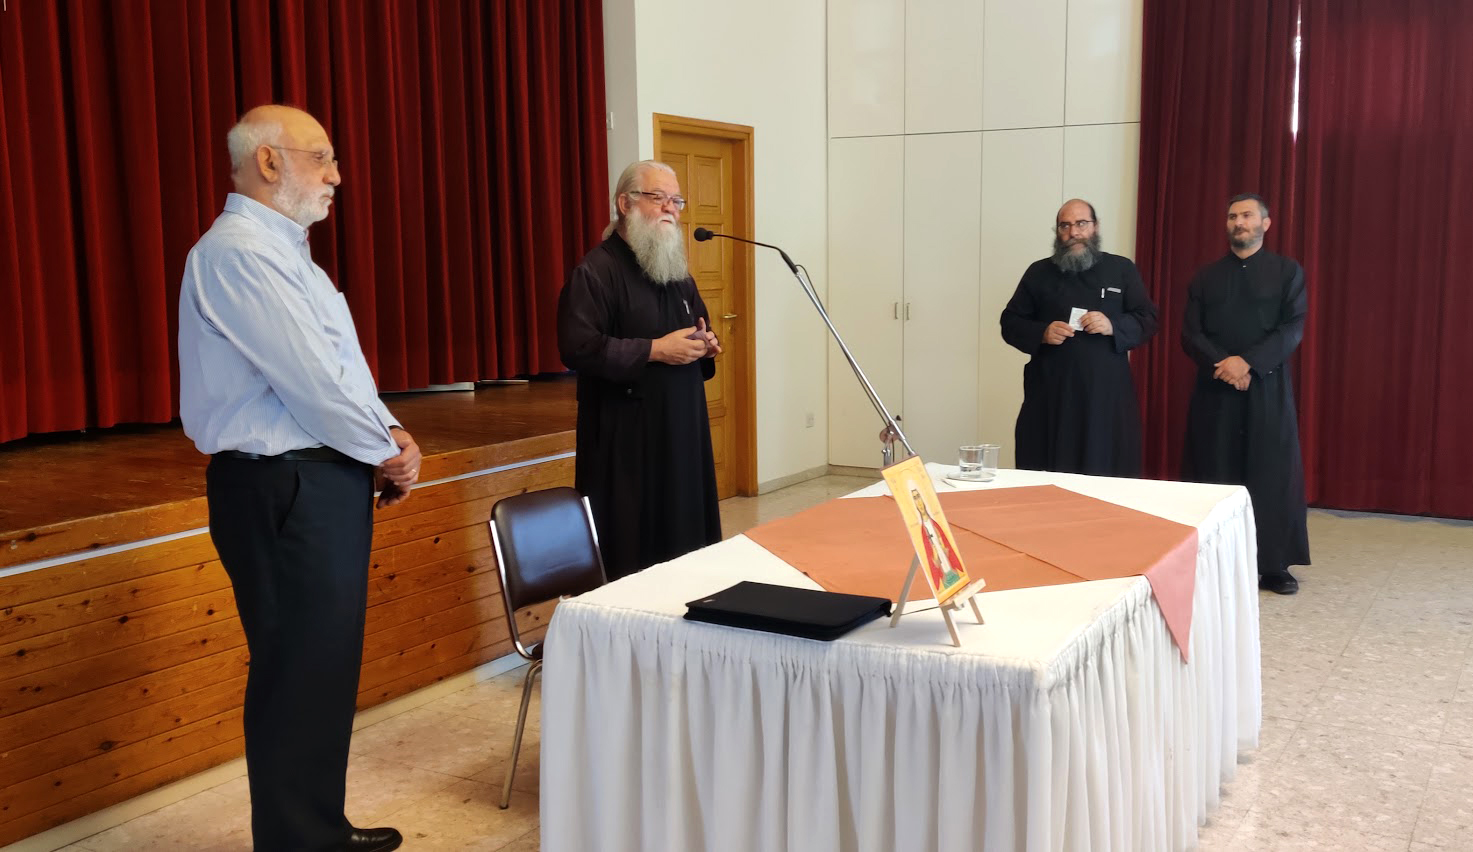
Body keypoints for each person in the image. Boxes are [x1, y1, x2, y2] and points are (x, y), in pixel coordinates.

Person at [178, 104, 417, 852]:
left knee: (323, 666)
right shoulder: (240, 253)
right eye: (322, 157)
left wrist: (389, 433)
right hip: (283, 484)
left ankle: (318, 829)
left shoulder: (289, 254)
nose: (337, 175)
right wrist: (384, 448)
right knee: (296, 670)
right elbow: (311, 383)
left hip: (318, 478)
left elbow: (342, 367)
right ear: (269, 161)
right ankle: (296, 841)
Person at [557, 160, 723, 579]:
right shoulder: (596, 272)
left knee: (687, 550)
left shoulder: (676, 273)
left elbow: (699, 327)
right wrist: (655, 350)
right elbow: (578, 348)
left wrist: (707, 345)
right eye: (658, 198)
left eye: (676, 201)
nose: (670, 208)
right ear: (625, 204)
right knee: (635, 552)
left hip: (682, 433)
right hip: (627, 441)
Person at [1182, 193, 1310, 595]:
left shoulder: (1287, 272)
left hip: (1267, 385)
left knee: (1271, 473)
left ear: (1265, 224)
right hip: (1215, 386)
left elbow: (1292, 327)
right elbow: (1190, 333)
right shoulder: (1205, 277)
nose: (1239, 222)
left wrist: (1249, 364)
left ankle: (1273, 565)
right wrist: (1225, 364)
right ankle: (1213, 562)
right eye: (1233, 216)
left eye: (1247, 215)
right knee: (1214, 472)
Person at [1000, 199, 1159, 476]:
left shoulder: (1121, 269)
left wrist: (1112, 325)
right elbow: (1010, 322)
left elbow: (1148, 318)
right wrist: (1042, 332)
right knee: (1047, 470)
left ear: (1095, 227)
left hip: (1106, 397)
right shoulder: (1038, 273)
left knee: (1105, 470)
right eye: (1065, 226)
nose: (1073, 232)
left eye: (1081, 224)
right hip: (1051, 396)